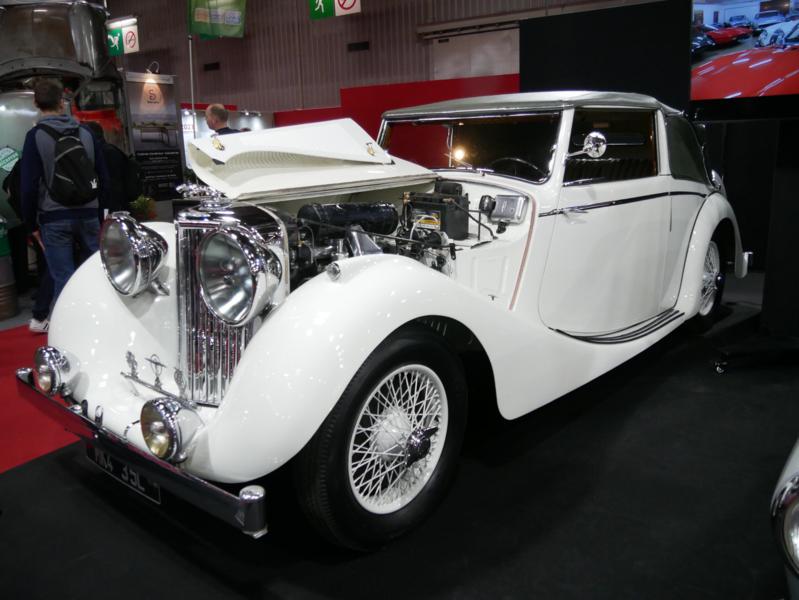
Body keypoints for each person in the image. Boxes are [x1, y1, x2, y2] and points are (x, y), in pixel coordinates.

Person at [20, 78, 110, 314]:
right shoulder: (87, 133)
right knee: (96, 273)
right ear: (62, 101)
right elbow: (103, 177)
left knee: (64, 279)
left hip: (54, 217)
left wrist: (31, 225)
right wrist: (100, 214)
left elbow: (28, 186)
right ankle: (101, 318)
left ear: (36, 103)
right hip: (89, 213)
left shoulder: (35, 137)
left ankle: (70, 325)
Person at [84, 121, 142, 213]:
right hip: (116, 203)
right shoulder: (110, 150)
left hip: (111, 204)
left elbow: (110, 182)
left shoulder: (102, 152)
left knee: (107, 220)